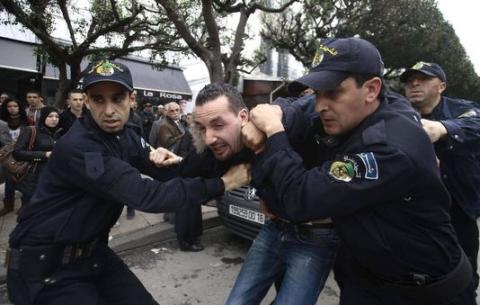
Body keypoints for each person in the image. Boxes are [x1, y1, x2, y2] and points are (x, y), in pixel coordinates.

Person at [242, 37, 475, 304]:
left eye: (332, 92)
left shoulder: (388, 148)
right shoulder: (377, 104)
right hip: (366, 282)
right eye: (318, 93)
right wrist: (275, 109)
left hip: (425, 293)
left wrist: (274, 132)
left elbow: (300, 198)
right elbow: (303, 107)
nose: (320, 105)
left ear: (372, 89)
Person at [5, 59, 249, 305]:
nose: (109, 110)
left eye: (117, 98)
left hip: (93, 254)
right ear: (87, 102)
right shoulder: (80, 147)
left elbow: (173, 174)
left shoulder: (127, 136)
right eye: (99, 99)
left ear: (131, 100)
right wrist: (224, 183)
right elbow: (147, 196)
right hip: (46, 269)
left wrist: (217, 149)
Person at [401, 61, 480, 290]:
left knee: (463, 279)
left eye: (423, 79)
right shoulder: (398, 114)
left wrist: (442, 129)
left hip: (459, 212)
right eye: (409, 80)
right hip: (414, 216)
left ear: (442, 86)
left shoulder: (463, 109)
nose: (414, 83)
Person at [13, 106, 63, 213]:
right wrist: (44, 154)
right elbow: (17, 153)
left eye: (57, 116)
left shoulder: (59, 133)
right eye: (50, 116)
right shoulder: (31, 130)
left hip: (53, 177)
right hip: (33, 176)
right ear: (44, 117)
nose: (54, 119)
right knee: (30, 209)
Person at [0, 98, 29, 215]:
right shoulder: (2, 122)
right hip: (6, 155)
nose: (12, 109)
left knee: (25, 179)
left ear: (19, 107)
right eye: (9, 106)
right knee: (9, 180)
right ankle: (8, 205)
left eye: (15, 106)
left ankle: (25, 205)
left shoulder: (27, 121)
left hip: (23, 153)